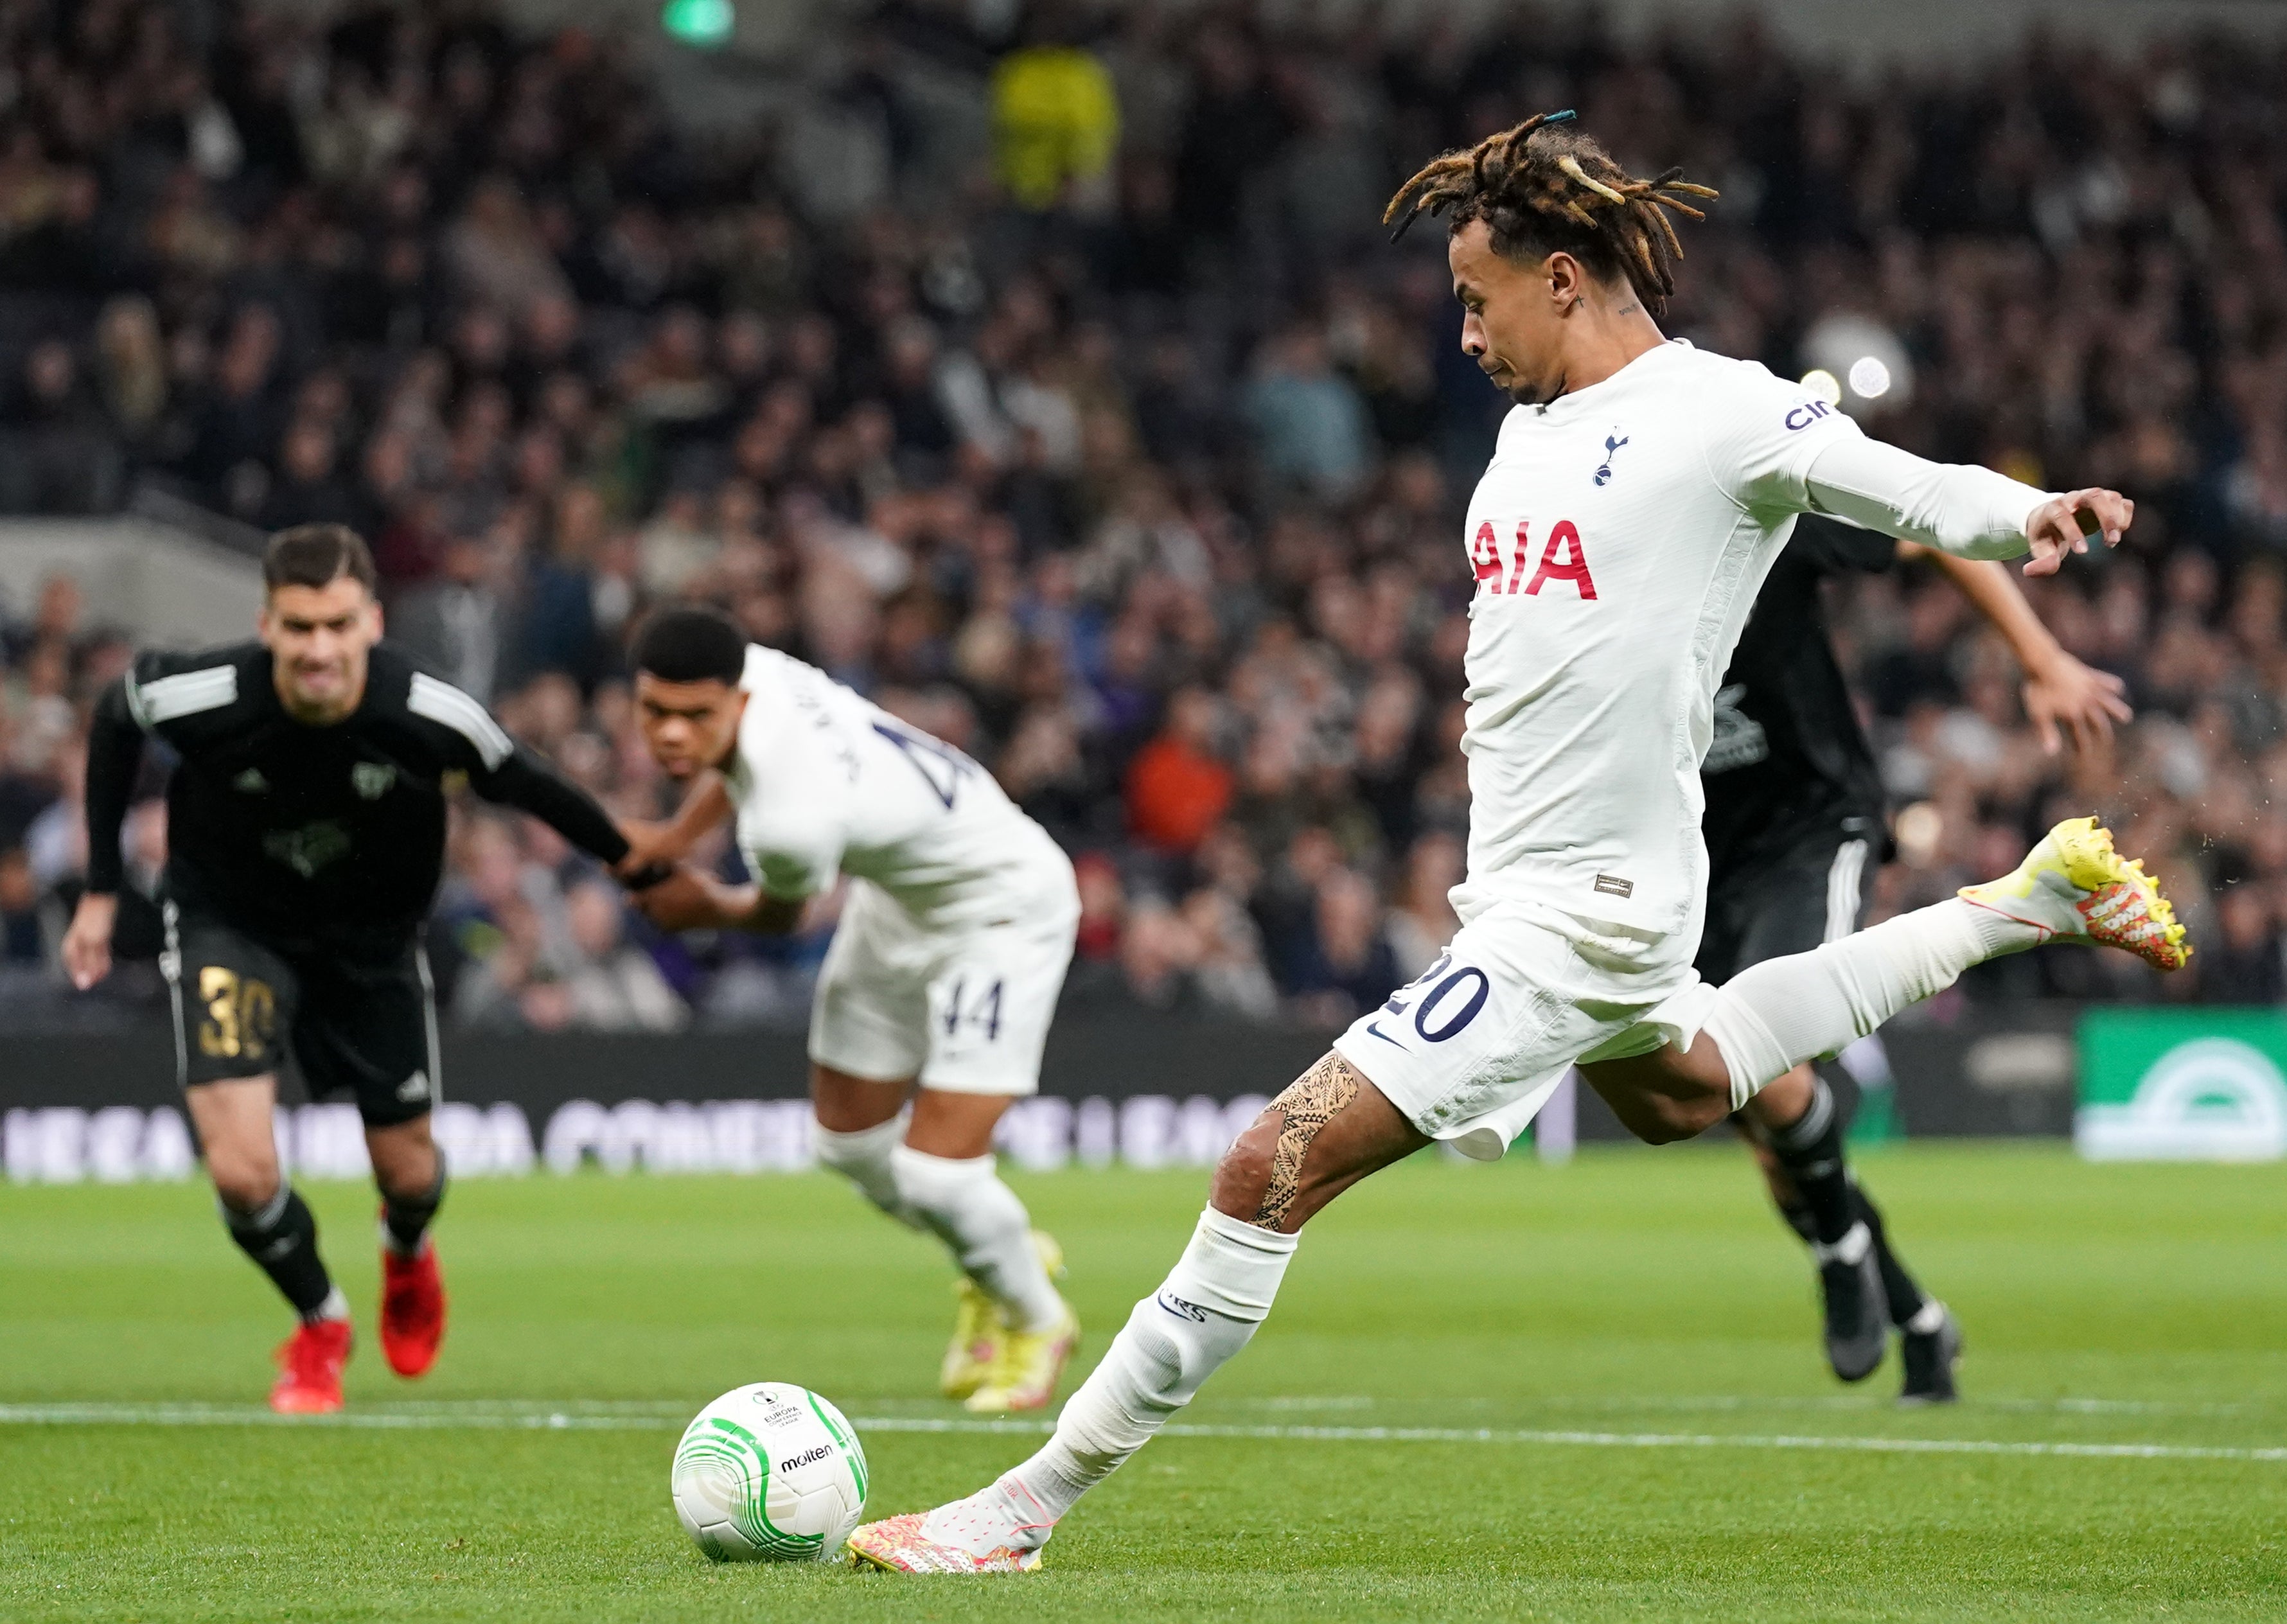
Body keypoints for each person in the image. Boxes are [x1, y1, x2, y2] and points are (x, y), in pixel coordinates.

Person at [845, 110, 2187, 1573]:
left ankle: (1013, 1515)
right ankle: (2026, 900)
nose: (1463, 333)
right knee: (1683, 1086)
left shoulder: (1721, 412)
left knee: (1262, 1167)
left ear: (1560, 279)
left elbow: (1907, 489)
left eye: (1476, 300)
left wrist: (2031, 512)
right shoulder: (1523, 431)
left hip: (1581, 915)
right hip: (1568, 899)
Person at [62, 524, 647, 1414]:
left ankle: (407, 1253)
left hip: (371, 944)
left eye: (337, 625)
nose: (320, 649)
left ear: (371, 620)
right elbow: (115, 713)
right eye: (299, 627)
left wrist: (634, 861)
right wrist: (104, 890)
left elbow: (522, 778)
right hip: (233, 928)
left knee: (410, 1175)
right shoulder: (209, 692)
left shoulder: (426, 709)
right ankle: (319, 1321)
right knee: (242, 1173)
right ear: (267, 625)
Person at [1705, 518, 2132, 1401]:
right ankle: (1921, 1320)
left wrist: (2041, 658)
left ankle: (1837, 1251)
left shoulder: (1755, 517)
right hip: (1690, 860)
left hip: (1809, 833)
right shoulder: (1595, 563)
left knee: (1769, 1065)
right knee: (1768, 1135)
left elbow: (1936, 531)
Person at [619, 606, 1084, 1415]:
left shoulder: (790, 821)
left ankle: (1037, 1318)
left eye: (695, 716)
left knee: (939, 1174)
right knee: (846, 1144)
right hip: (901, 898)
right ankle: (998, 1256)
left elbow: (776, 915)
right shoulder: (753, 666)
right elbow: (730, 765)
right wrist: (670, 840)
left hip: (1001, 909)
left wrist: (703, 905)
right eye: (655, 711)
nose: (672, 735)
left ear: (737, 702)